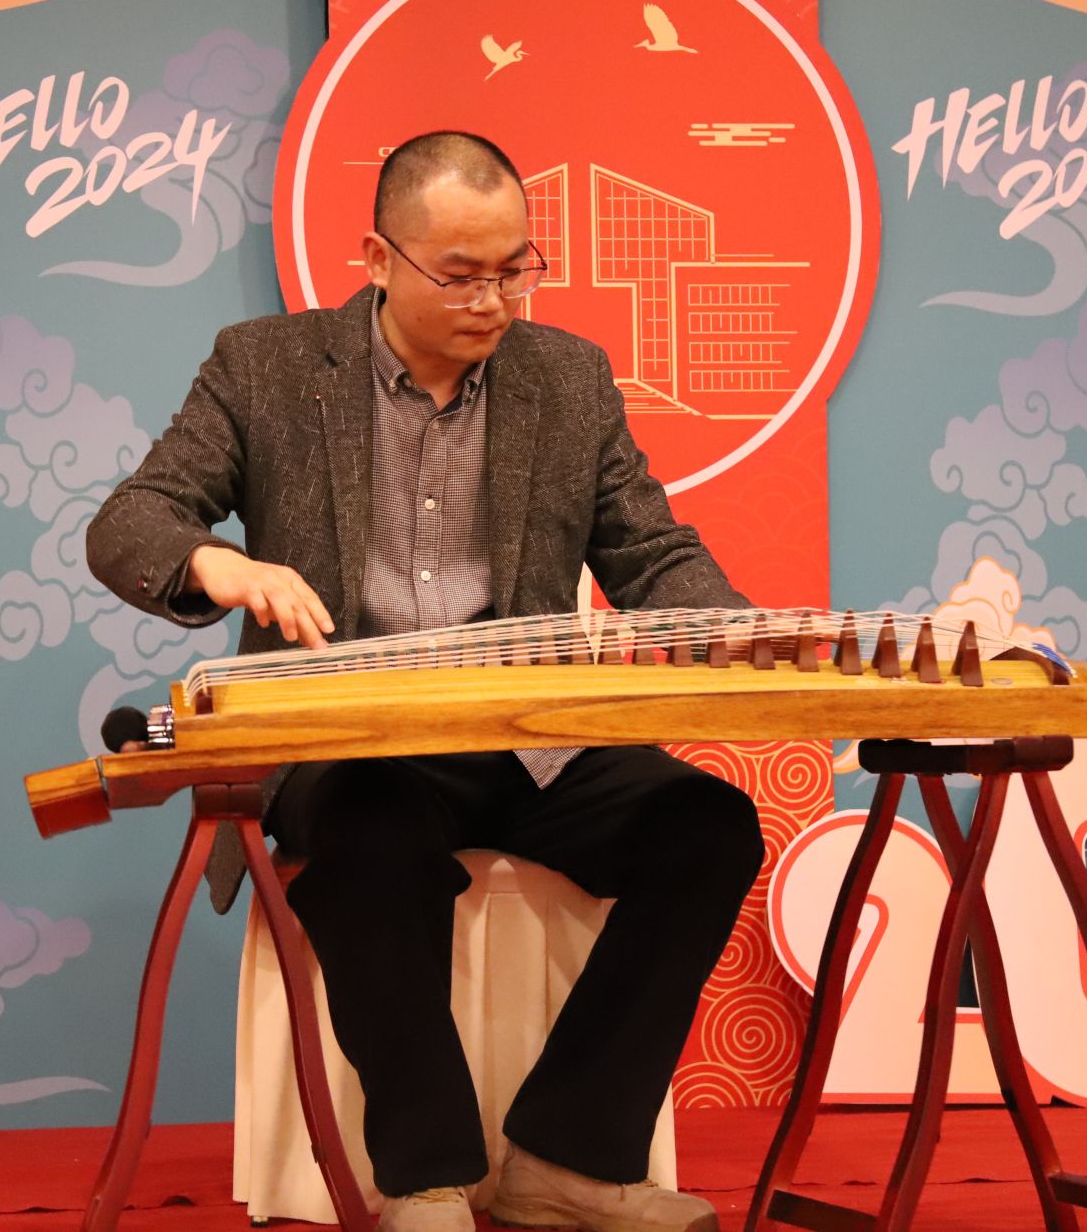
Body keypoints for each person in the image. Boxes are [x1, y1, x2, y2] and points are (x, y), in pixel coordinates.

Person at [87, 131, 763, 1232]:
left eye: (514, 268)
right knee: (371, 829)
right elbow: (132, 520)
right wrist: (222, 563)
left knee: (706, 828)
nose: (493, 301)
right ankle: (428, 1178)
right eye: (459, 274)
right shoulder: (265, 367)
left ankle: (568, 1156)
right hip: (352, 742)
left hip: (528, 733)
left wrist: (736, 630)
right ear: (377, 257)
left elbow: (648, 549)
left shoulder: (567, 376)